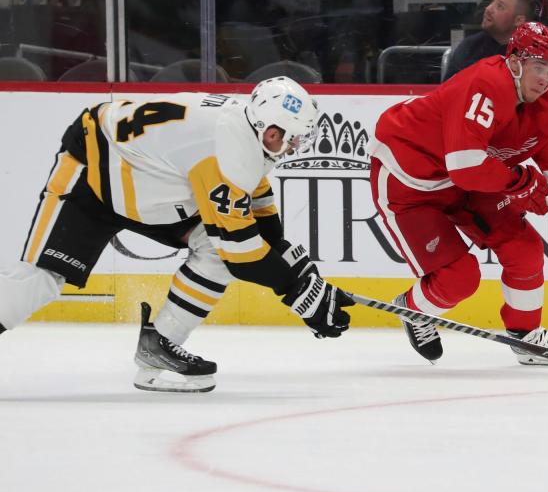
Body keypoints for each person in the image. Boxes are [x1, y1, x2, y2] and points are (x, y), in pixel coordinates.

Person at [0, 77, 355, 392]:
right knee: (41, 279)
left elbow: (262, 224)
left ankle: (159, 348)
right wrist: (298, 290)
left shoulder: (247, 128)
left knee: (217, 251)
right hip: (93, 173)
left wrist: (300, 274)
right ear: (272, 132)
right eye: (293, 140)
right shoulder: (227, 151)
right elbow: (244, 256)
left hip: (154, 182)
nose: (295, 148)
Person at [368, 21, 548, 365]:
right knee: (459, 280)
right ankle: (413, 309)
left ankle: (526, 338)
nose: (545, 80)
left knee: (524, 248)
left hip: (475, 180)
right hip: (411, 179)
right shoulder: (486, 83)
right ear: (516, 61)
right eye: (539, 67)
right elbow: (465, 166)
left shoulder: (545, 110)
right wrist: (521, 181)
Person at [443, 0, 536, 81]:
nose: (488, 9)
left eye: (500, 6)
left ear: (519, 20)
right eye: (492, 2)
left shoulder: (534, 58)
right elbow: (446, 91)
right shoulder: (470, 46)